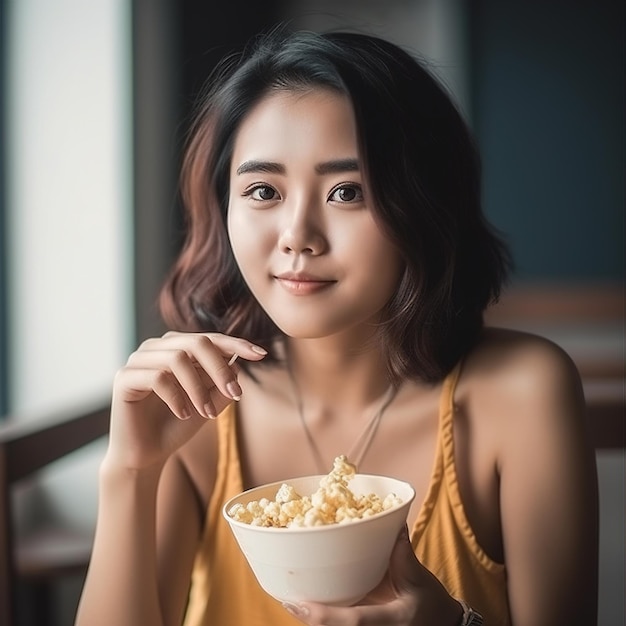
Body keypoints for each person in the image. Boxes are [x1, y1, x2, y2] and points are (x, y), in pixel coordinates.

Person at [75, 28, 599, 626]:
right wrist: (129, 474)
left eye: (348, 191)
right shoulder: (195, 407)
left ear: (424, 202)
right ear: (225, 208)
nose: (298, 234)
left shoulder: (523, 392)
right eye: (263, 190)